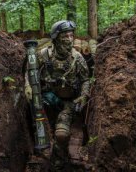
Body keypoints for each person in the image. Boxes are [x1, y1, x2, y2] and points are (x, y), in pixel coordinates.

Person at [35, 20, 90, 171]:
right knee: (48, 132)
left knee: (61, 134)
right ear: (56, 37)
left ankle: (58, 164)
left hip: (67, 103)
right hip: (47, 101)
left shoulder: (77, 58)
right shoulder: (43, 55)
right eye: (65, 35)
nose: (69, 38)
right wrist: (29, 88)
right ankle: (55, 155)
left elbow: (85, 79)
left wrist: (84, 96)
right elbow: (30, 73)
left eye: (71, 35)